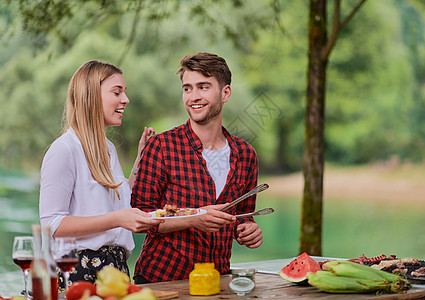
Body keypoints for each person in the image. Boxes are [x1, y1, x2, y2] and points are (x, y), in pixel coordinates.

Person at [131, 52, 263, 283]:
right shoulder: (161, 146)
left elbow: (243, 215)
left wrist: (248, 229)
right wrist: (194, 219)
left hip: (216, 280)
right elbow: (141, 217)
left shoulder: (245, 155)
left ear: (225, 93)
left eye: (203, 87)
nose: (193, 96)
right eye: (187, 88)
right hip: (161, 279)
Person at [39, 60, 163, 286]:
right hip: (80, 272)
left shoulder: (108, 149)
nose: (126, 99)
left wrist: (140, 158)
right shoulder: (64, 149)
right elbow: (52, 224)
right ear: (91, 96)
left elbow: (118, 200)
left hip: (116, 270)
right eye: (117, 92)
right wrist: (117, 220)